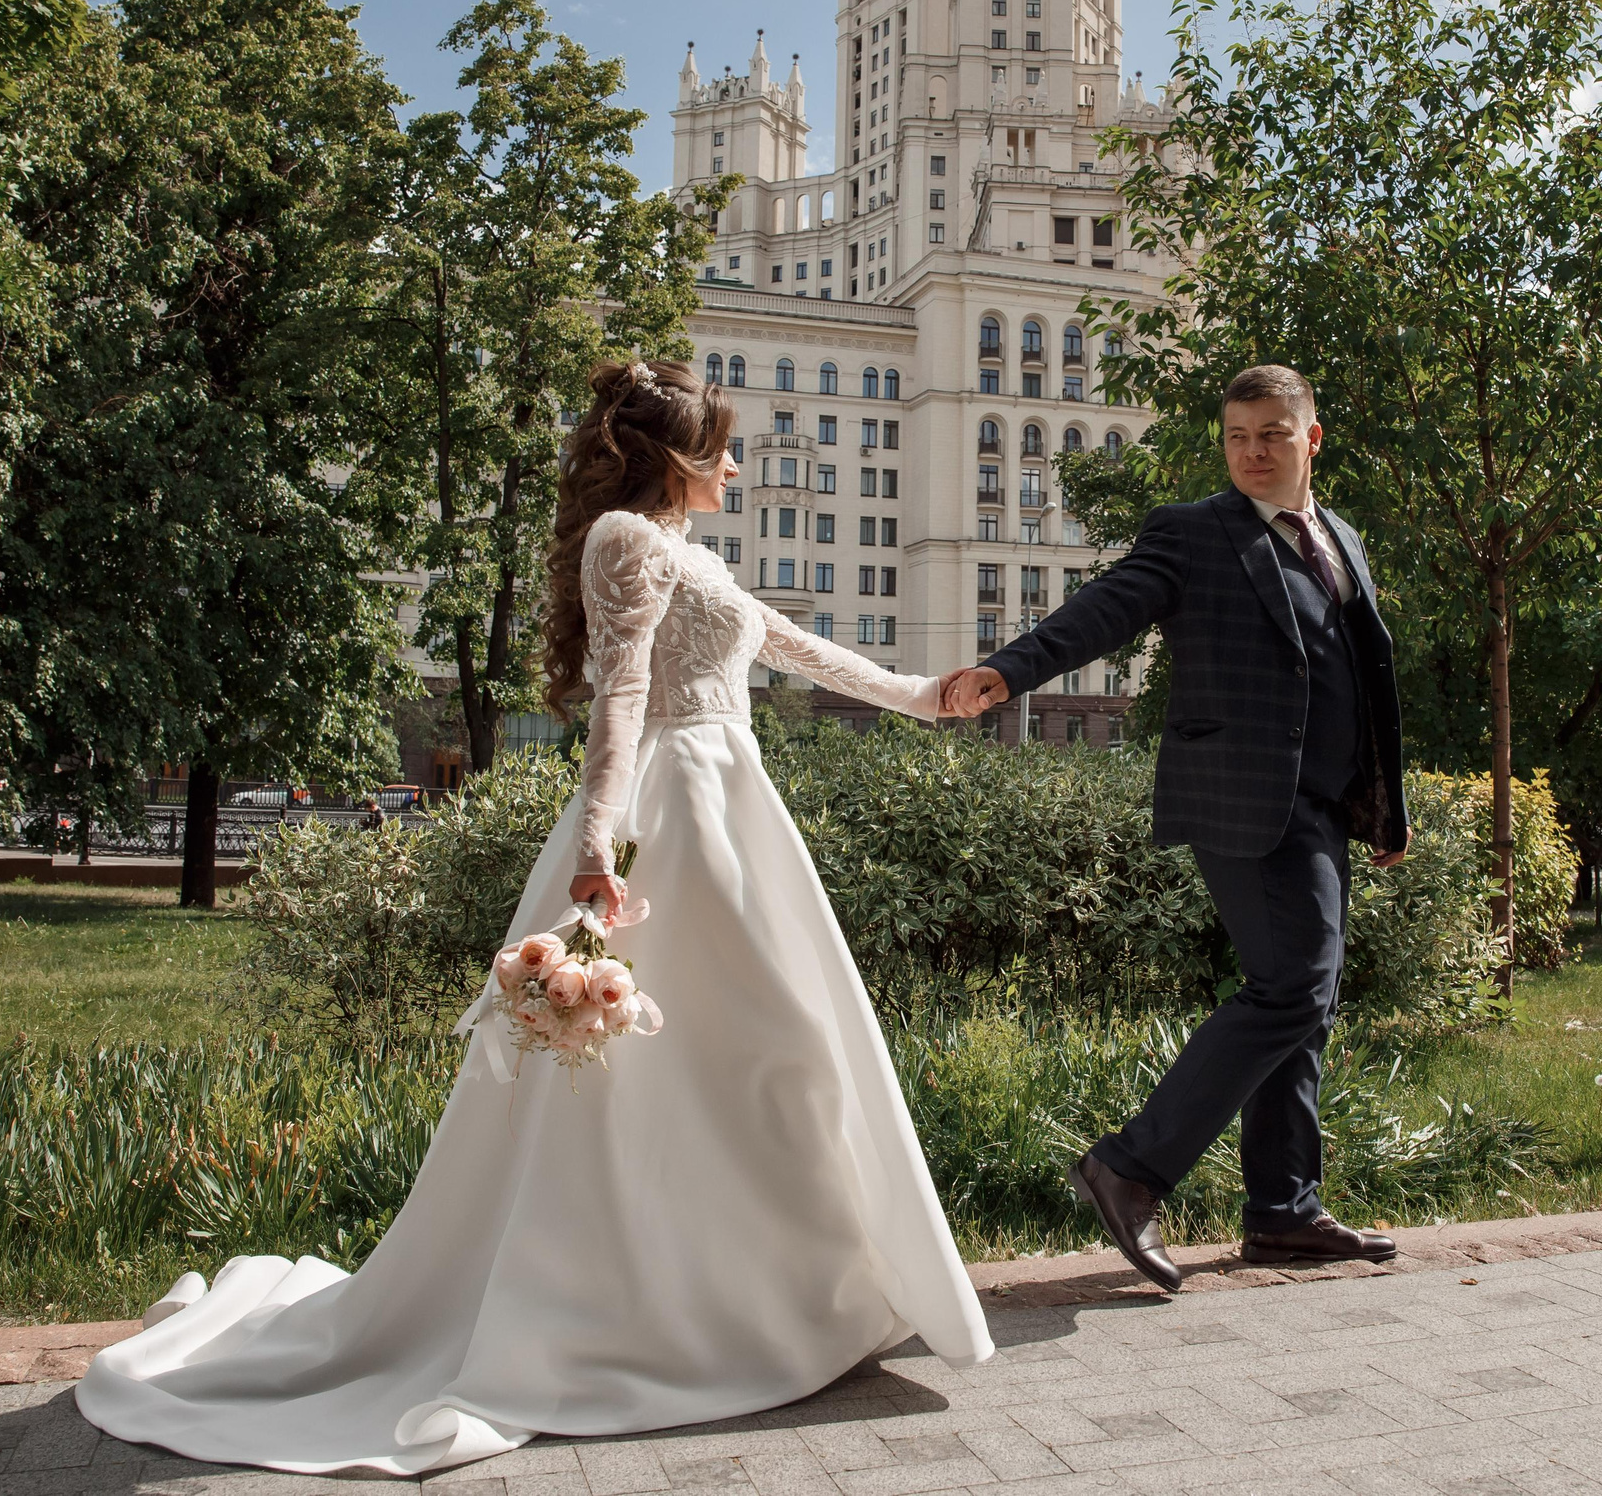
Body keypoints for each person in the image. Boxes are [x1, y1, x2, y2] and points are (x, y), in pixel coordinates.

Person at [78, 358, 992, 1478]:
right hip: (671, 818)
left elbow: (793, 647)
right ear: (673, 456)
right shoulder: (627, 541)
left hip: (734, 819)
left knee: (777, 1052)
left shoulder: (687, 552)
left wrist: (923, 698)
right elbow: (618, 700)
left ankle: (782, 1301)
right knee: (694, 1069)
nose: (739, 464)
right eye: (724, 446)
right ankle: (641, 1314)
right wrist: (599, 837)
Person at [943, 363, 1409, 1290]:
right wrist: (1012, 671)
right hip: (1240, 797)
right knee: (1292, 988)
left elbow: (1362, 677)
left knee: (1302, 1008)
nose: (1252, 452)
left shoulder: (1339, 537)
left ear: (1310, 438)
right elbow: (1108, 606)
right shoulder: (1194, 533)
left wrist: (1382, 807)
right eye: (1237, 436)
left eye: (1272, 434)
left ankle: (1283, 1211)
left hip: (1322, 803)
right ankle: (1130, 1167)